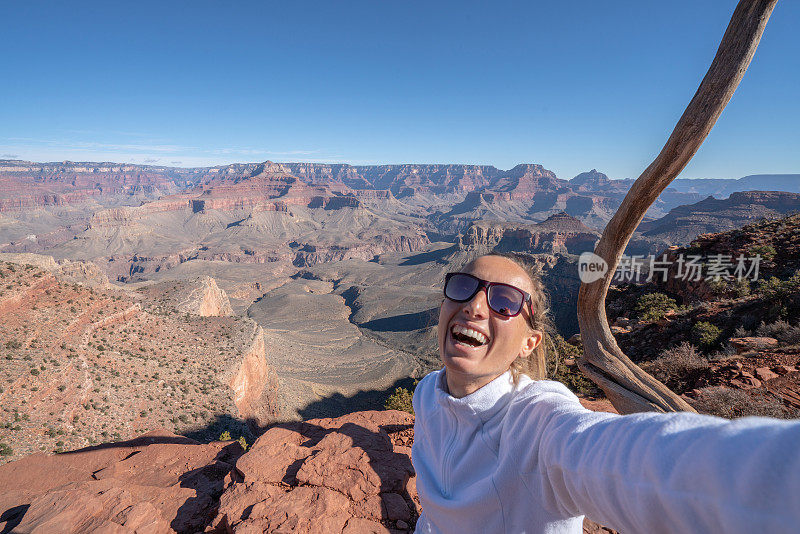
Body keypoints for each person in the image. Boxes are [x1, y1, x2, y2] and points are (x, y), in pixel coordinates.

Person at [411, 252, 800, 534]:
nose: (475, 306)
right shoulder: (428, 393)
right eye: (464, 288)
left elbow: (630, 462)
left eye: (505, 302)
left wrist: (774, 480)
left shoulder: (539, 420)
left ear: (529, 343)